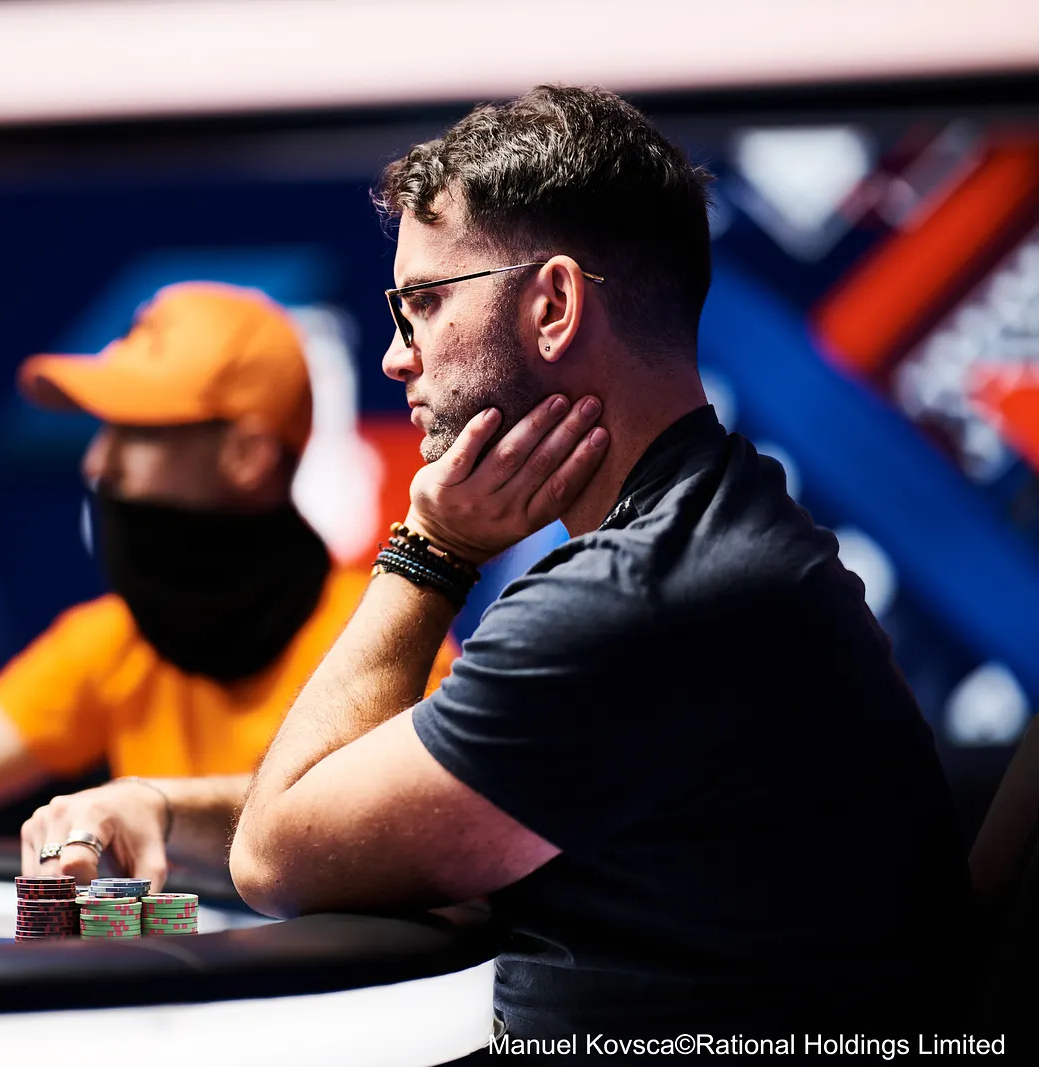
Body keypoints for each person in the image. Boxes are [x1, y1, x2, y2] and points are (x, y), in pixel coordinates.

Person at [228, 86, 976, 1038]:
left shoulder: (636, 600)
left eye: (423, 304)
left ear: (553, 305)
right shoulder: (721, 525)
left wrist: (430, 551)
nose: (395, 358)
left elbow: (276, 856)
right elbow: (405, 788)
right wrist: (162, 811)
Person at [0, 282, 455, 925]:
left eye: (137, 431)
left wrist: (157, 805)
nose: (98, 461)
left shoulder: (385, 635)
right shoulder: (111, 643)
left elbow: (369, 821)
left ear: (248, 456)